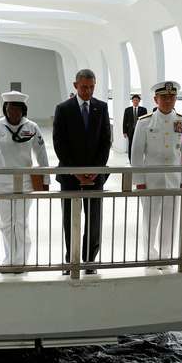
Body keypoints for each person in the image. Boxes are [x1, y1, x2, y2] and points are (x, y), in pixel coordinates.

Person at [52, 69, 112, 275]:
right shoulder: (63, 109)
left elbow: (106, 141)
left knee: (94, 218)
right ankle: (72, 260)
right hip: (70, 177)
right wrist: (74, 171)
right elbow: (59, 143)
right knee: (70, 219)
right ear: (75, 85)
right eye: (84, 87)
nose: (88, 91)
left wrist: (95, 170)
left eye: (91, 87)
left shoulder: (101, 108)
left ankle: (90, 261)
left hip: (95, 177)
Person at [0, 91, 50, 269]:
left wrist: (45, 179)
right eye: (9, 108)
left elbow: (42, 155)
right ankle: (9, 260)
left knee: (21, 222)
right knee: (6, 223)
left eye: (17, 109)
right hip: (2, 182)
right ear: (5, 109)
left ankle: (21, 260)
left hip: (25, 182)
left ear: (23, 110)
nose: (13, 112)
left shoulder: (32, 128)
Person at [130, 81, 182, 264]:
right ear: (156, 99)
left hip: (173, 181)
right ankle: (149, 255)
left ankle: (165, 256)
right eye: (164, 97)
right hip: (151, 181)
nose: (168, 100)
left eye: (171, 97)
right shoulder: (145, 122)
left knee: (170, 220)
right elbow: (136, 153)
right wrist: (139, 181)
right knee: (150, 219)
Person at [123, 94, 148, 162]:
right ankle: (131, 160)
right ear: (132, 101)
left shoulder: (143, 110)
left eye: (137, 100)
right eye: (134, 100)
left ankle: (139, 159)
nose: (135, 101)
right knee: (130, 145)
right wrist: (124, 132)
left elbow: (146, 121)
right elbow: (125, 121)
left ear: (139, 101)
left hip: (140, 131)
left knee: (140, 145)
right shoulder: (127, 110)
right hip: (130, 131)